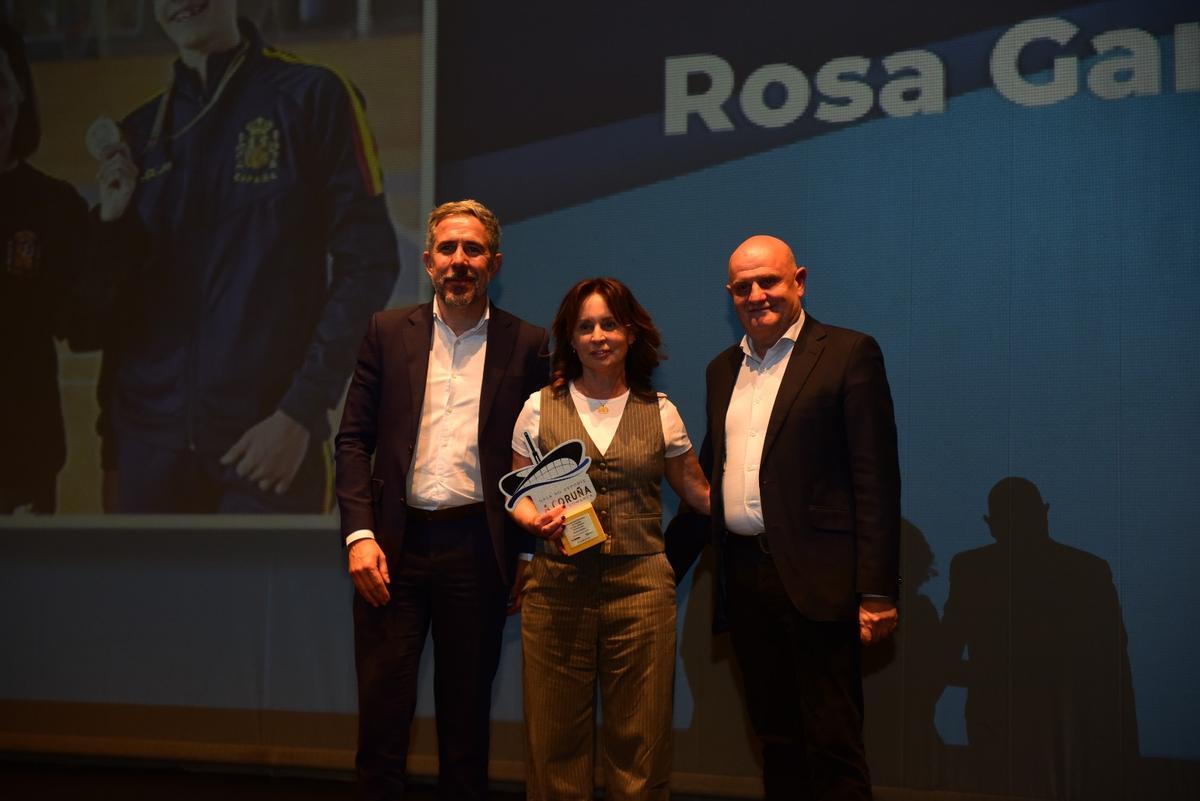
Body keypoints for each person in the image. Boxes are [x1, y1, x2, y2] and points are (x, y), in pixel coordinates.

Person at [87, 0, 398, 512]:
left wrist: (299, 413)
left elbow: (369, 263)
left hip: (266, 446)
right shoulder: (139, 135)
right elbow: (119, 322)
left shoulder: (313, 96)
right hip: (147, 455)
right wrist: (114, 452)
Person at [335, 200, 549, 800]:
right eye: (449, 249)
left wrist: (527, 556)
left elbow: (536, 452)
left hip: (479, 553)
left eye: (473, 250)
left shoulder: (529, 344)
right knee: (381, 723)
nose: (460, 261)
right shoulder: (384, 331)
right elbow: (352, 440)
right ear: (428, 261)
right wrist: (359, 534)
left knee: (465, 730)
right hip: (390, 552)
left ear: (495, 262)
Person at [703, 235, 901, 800]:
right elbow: (709, 476)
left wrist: (877, 591)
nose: (757, 295)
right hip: (744, 583)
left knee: (833, 744)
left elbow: (876, 478)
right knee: (776, 741)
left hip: (821, 584)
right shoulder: (722, 370)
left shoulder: (848, 352)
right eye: (744, 286)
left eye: (769, 281)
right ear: (730, 294)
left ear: (799, 281)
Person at [509, 277, 710, 800]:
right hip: (556, 589)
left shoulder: (660, 410)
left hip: (641, 593)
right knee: (554, 745)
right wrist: (532, 522)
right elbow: (517, 493)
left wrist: (775, 498)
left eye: (610, 324)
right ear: (569, 339)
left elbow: (698, 492)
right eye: (585, 326)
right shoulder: (537, 407)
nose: (598, 335)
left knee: (640, 745)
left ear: (631, 334)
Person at [0, 23, 90, 514]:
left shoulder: (54, 206)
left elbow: (81, 323)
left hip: (25, 456)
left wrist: (117, 228)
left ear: (19, 95)